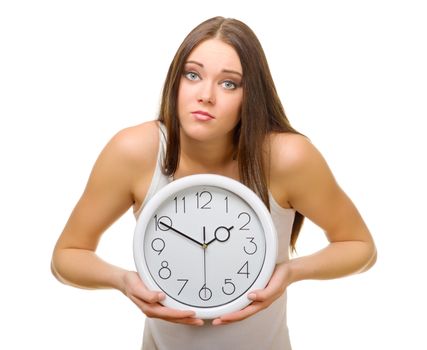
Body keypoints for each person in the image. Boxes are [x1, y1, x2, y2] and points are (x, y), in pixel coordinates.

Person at [51, 16, 377, 350]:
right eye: (193, 75)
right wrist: (122, 281)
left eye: (229, 83)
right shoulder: (133, 152)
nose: (205, 95)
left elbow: (359, 246)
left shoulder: (287, 158)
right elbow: (67, 254)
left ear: (251, 95)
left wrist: (290, 272)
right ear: (175, 82)